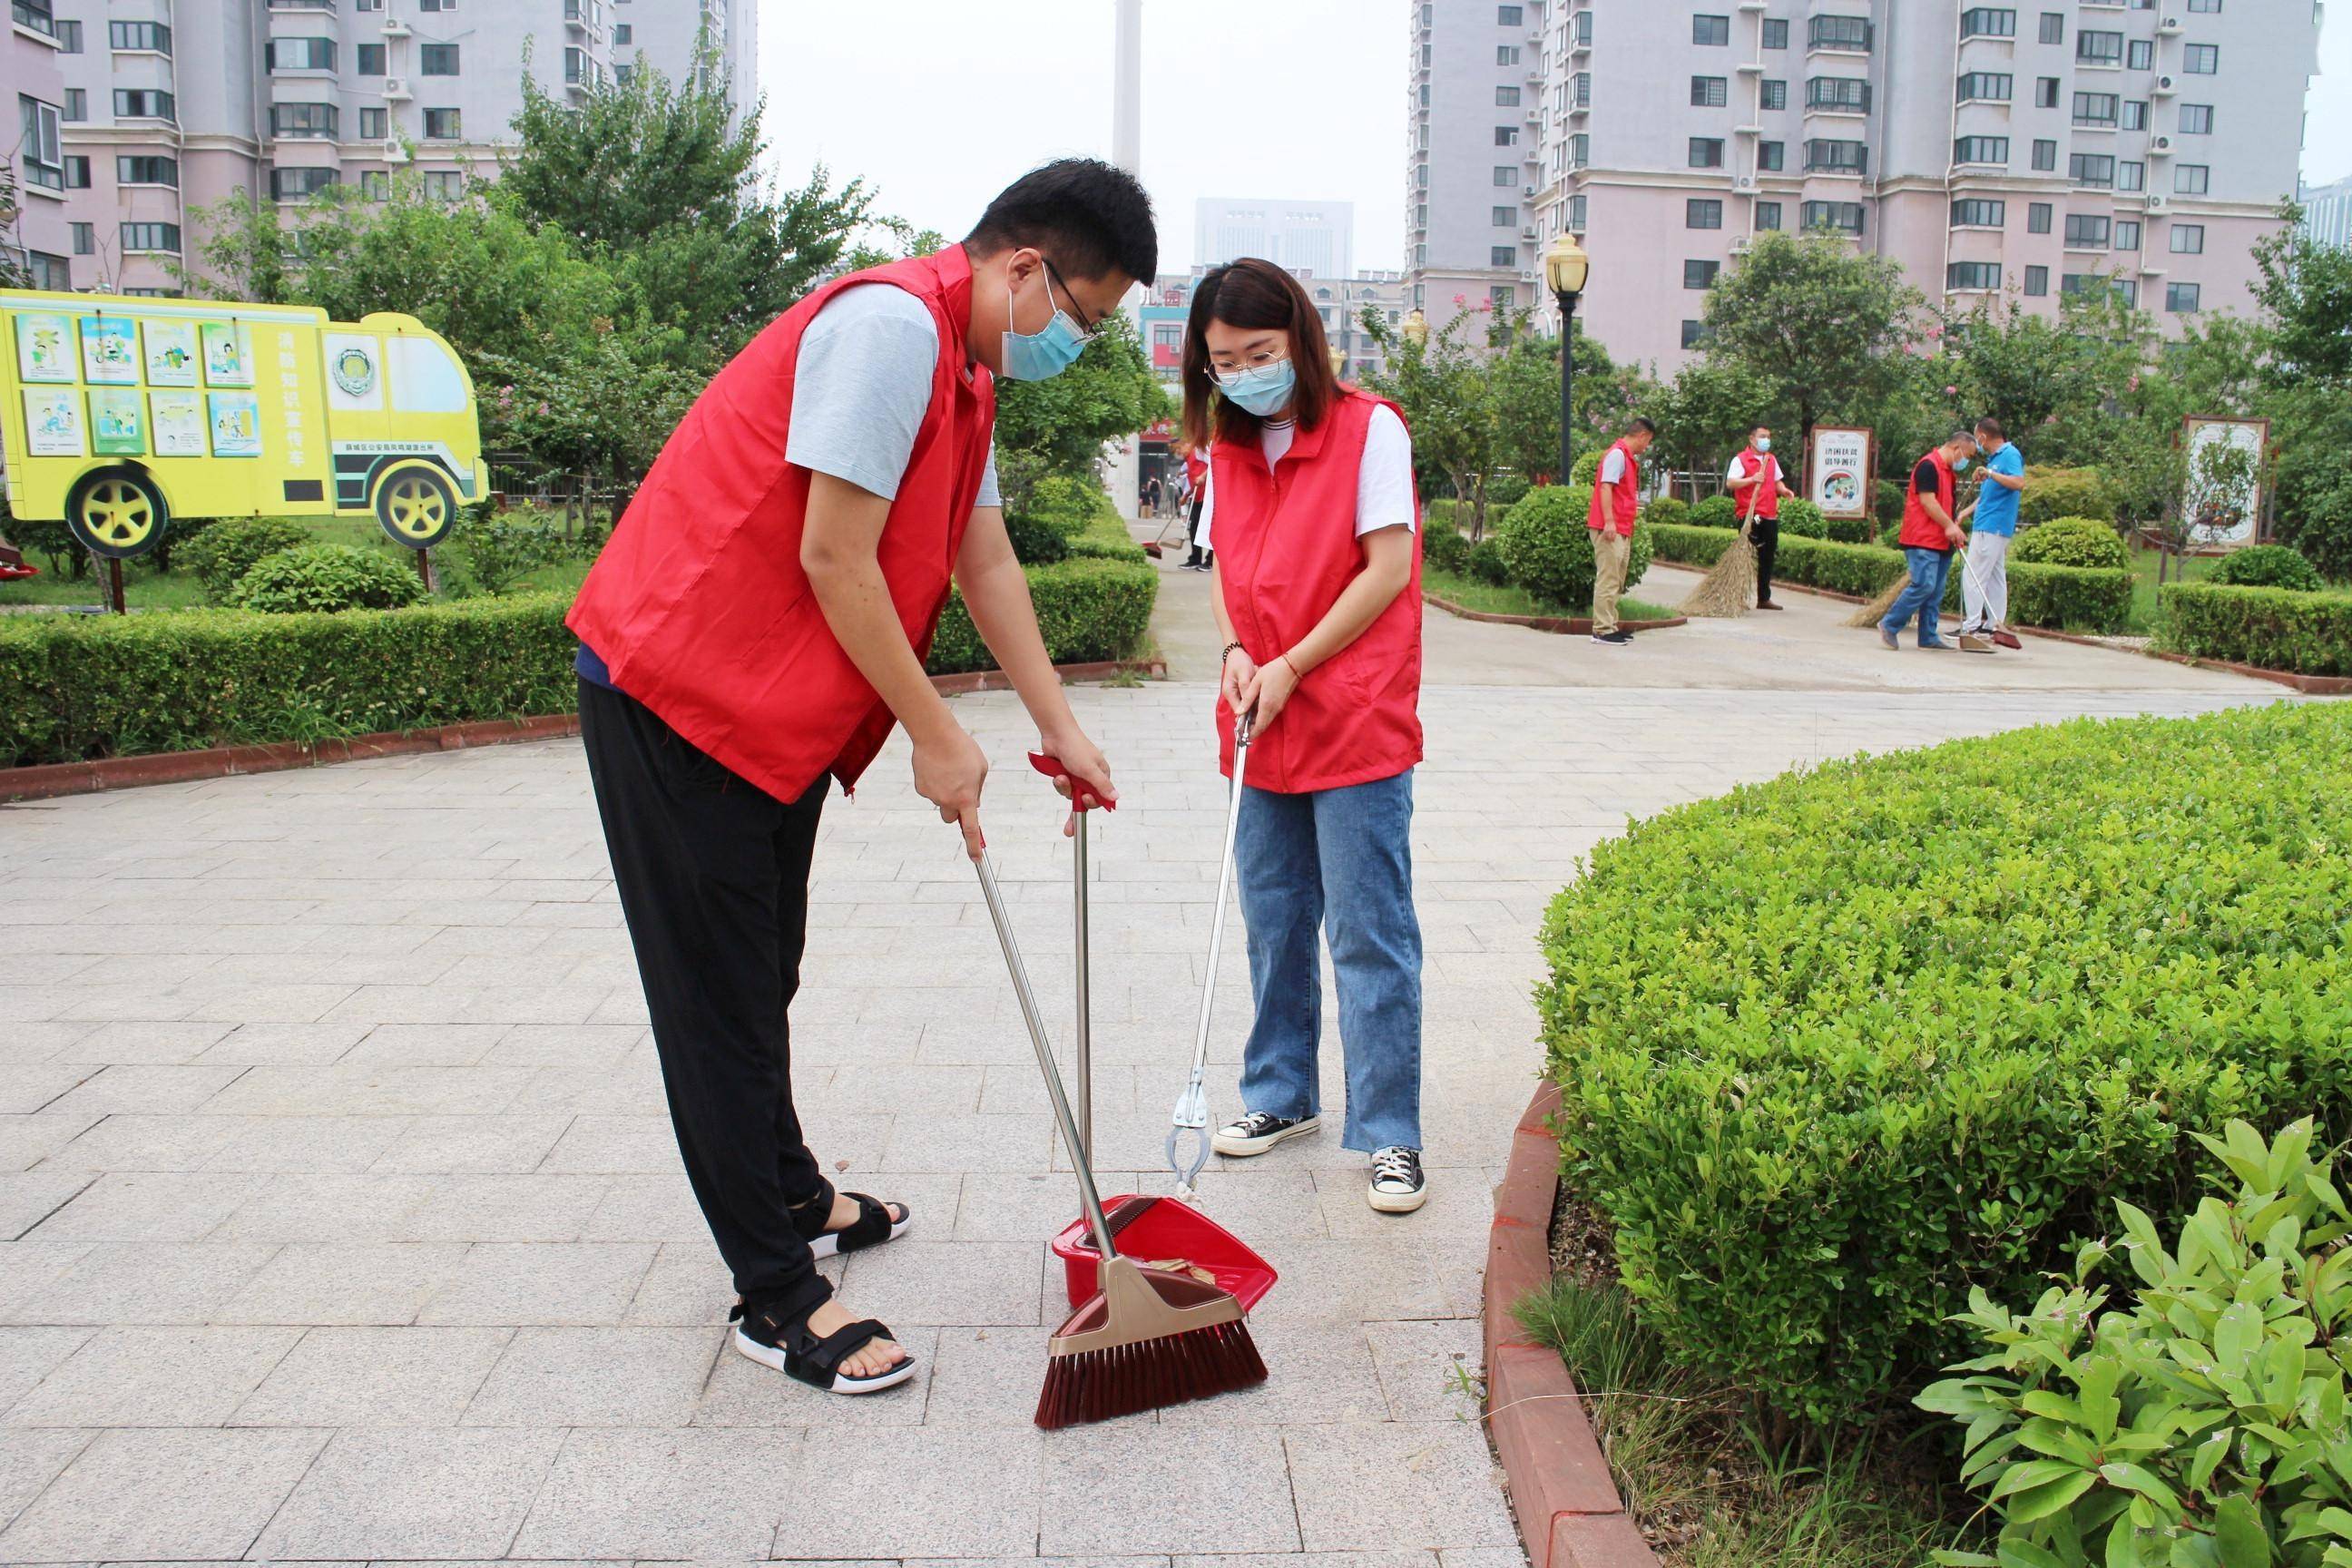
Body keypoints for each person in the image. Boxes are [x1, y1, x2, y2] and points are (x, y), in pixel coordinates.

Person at [565, 159, 1153, 1397]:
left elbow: (979, 557)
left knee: (761, 963)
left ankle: (787, 1186)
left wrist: (1061, 727)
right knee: (718, 997)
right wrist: (939, 735)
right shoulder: (891, 326)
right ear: (1023, 268)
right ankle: (775, 1293)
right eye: (1084, 316)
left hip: (762, 709)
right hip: (679, 691)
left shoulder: (965, 367)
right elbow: (835, 554)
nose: (1079, 344)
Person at [1182, 258, 1430, 1215]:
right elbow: (1220, 568)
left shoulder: (1371, 430)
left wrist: (1293, 665)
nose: (1242, 372)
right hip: (1261, 716)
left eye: (1259, 353)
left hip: (1352, 713)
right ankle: (1282, 1095)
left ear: (1300, 341)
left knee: (1368, 930)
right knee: (1275, 917)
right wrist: (1242, 649)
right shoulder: (1229, 448)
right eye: (1222, 359)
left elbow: (1385, 570)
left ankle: (1391, 1131)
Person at [1881, 430, 1979, 652]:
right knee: (1924, 584)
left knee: (1935, 591)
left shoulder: (1948, 471)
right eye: (1968, 456)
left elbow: (1945, 503)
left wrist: (1952, 526)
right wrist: (1949, 526)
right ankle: (1889, 624)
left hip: (1941, 539)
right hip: (1922, 537)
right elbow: (1928, 502)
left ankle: (1928, 635)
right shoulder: (1928, 466)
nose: (1967, 461)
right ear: (1957, 449)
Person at [1958, 416, 2025, 652]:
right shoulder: (1995, 460)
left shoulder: (2009, 455)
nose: (1976, 443)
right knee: (1996, 576)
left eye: (1977, 438)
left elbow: (2018, 483)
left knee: (1973, 574)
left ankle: (1973, 625)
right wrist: (1965, 512)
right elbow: (1988, 495)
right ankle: (1993, 624)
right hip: (1988, 523)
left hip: (1992, 526)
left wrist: (1991, 474)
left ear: (1983, 437)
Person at [1587, 416, 1657, 645]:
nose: (1646, 447)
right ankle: (1602, 630)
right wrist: (1609, 521)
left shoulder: (1625, 457)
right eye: (1648, 442)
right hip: (1610, 528)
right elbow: (1606, 486)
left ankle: (1610, 625)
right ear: (1642, 435)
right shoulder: (1617, 455)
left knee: (1616, 580)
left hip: (1622, 528)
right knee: (1608, 578)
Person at [1726, 424, 1798, 611]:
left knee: (1767, 557)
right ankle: (1738, 597)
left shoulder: (1770, 459)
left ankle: (1763, 598)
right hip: (1750, 515)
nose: (1767, 440)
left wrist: (1784, 491)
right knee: (1746, 556)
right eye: (1762, 436)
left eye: (1768, 436)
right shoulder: (1740, 460)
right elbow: (1731, 483)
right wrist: (1751, 479)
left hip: (1769, 515)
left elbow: (1776, 481)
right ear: (1752, 439)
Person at [1182, 445, 1216, 572]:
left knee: (1210, 528)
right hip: (1197, 496)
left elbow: (1214, 464)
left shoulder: (1201, 450)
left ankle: (1210, 560)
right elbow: (1192, 480)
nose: (1179, 452)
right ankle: (1195, 559)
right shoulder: (1189, 459)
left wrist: (1203, 476)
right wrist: (1186, 495)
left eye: (1179, 448)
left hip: (1209, 496)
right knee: (1194, 527)